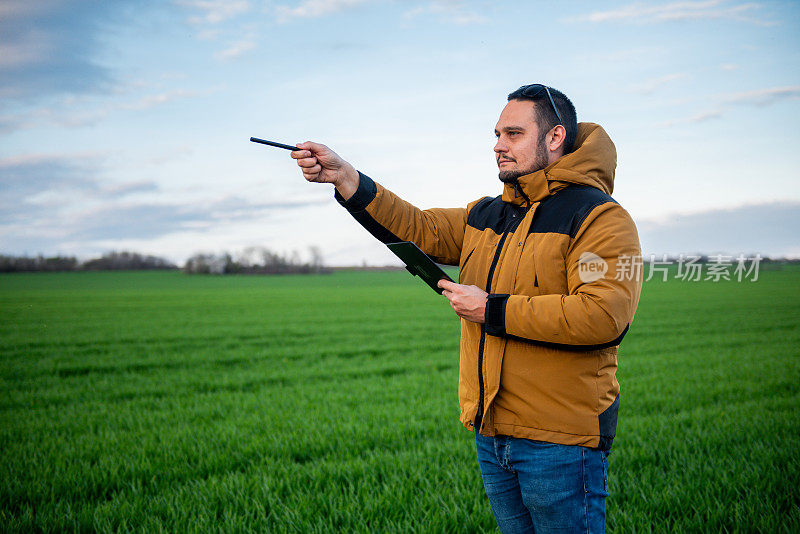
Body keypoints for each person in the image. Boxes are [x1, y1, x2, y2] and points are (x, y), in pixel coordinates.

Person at [291, 84, 642, 534]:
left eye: (513, 133)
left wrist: (491, 309)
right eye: (497, 134)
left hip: (561, 443)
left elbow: (603, 317)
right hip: (492, 434)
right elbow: (416, 225)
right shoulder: (488, 214)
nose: (498, 145)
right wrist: (345, 177)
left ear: (554, 137)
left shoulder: (600, 218)